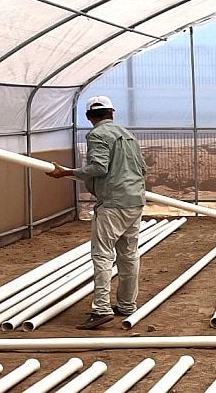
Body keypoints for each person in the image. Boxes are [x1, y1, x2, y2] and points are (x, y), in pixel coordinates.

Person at [47, 96, 146, 329]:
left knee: (102, 255)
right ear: (112, 113)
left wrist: (67, 172)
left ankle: (101, 309)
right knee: (129, 255)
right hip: (135, 200)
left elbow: (99, 168)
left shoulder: (97, 135)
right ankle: (127, 305)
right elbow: (142, 168)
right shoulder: (127, 134)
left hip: (113, 204)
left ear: (89, 116)